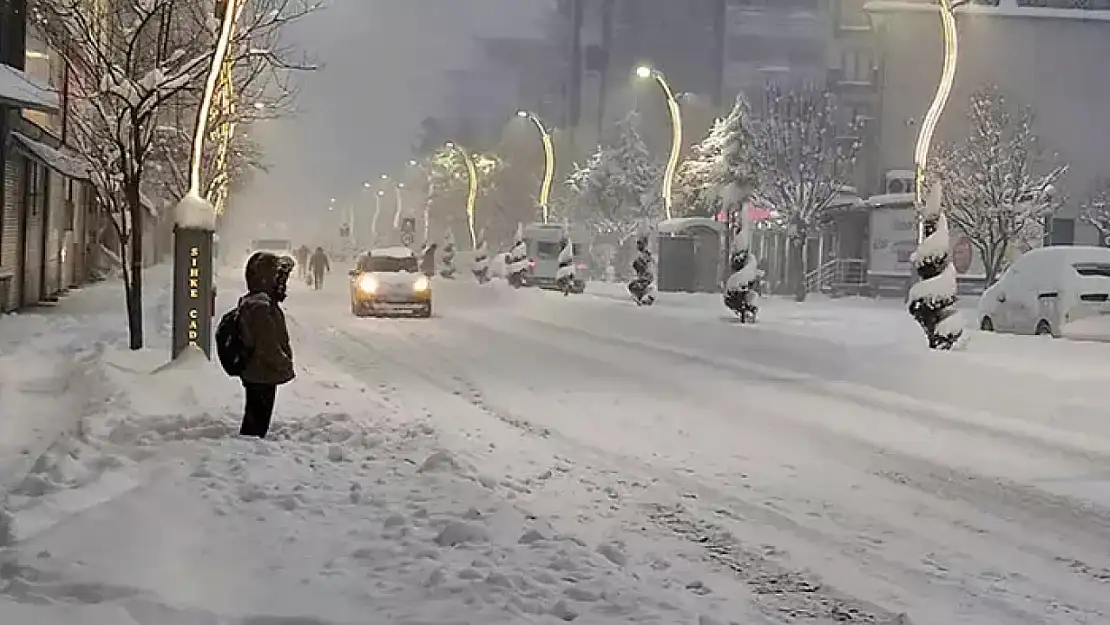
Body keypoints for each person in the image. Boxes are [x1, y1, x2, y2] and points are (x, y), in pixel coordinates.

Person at [237, 252, 295, 438]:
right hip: (261, 372)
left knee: (256, 419)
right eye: (277, 278)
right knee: (256, 425)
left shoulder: (260, 303)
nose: (281, 285)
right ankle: (248, 455)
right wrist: (283, 362)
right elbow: (267, 344)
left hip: (260, 372)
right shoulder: (260, 307)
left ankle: (249, 452)